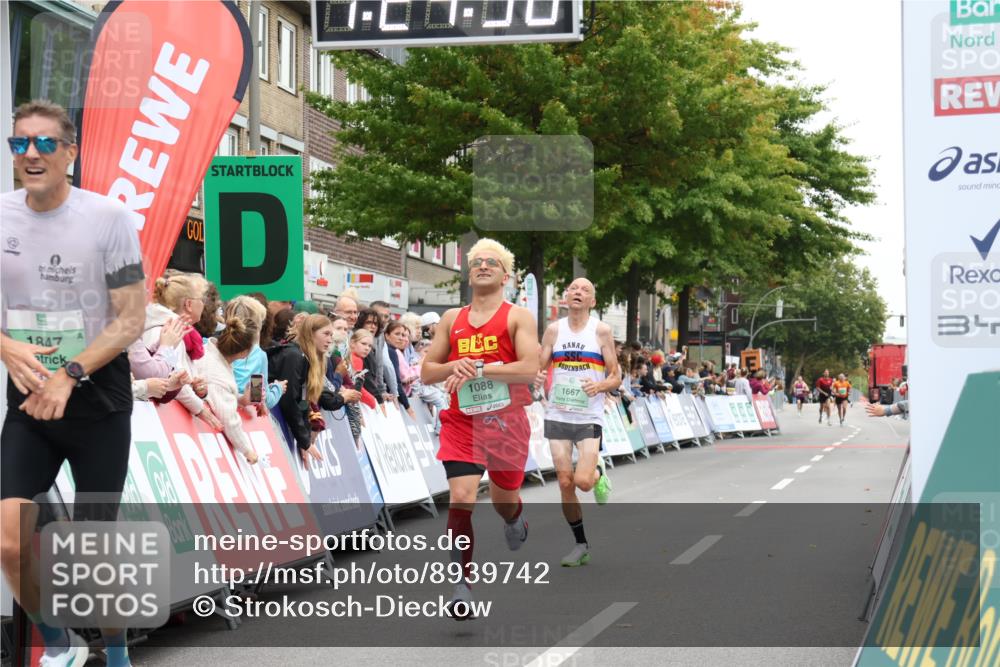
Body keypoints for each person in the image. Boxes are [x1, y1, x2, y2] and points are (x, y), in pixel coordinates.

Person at [1, 100, 147, 667]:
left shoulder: (108, 218)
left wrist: (70, 373)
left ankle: (115, 653)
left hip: (98, 399)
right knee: (10, 541)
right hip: (30, 401)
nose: (30, 154)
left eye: (43, 143)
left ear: (71, 152)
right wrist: (7, 344)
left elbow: (131, 318)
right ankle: (59, 643)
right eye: (19, 144)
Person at [421, 238, 539, 620]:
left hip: (506, 424)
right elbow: (427, 372)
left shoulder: (518, 316)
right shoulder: (451, 319)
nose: (483, 266)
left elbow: (527, 369)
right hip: (461, 423)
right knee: (462, 496)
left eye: (492, 262)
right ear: (470, 273)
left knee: (504, 499)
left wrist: (481, 368)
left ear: (506, 275)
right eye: (477, 262)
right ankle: (461, 584)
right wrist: (455, 366)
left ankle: (514, 517)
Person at [537, 278, 619, 567]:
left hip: (588, 414)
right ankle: (580, 544)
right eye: (574, 289)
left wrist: (601, 387)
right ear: (565, 296)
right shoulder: (553, 330)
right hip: (558, 413)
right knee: (564, 481)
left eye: (585, 290)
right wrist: (536, 376)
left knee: (582, 482)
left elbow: (615, 375)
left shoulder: (601, 331)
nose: (578, 293)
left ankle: (597, 474)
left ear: (593, 301)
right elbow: (540, 365)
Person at [142, 273, 222, 431]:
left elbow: (179, 376)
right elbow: (168, 376)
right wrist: (199, 408)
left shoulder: (180, 334)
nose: (204, 305)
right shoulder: (166, 332)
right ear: (189, 304)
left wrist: (199, 389)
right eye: (202, 300)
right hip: (152, 421)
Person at [268, 314, 348, 464]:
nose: (330, 340)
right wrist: (305, 441)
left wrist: (304, 439)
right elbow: (289, 401)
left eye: (331, 335)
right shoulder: (294, 356)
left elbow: (304, 402)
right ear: (310, 333)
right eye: (325, 334)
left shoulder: (307, 358)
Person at [194, 317, 263, 465]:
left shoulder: (208, 350)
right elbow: (228, 420)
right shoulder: (219, 376)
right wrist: (248, 451)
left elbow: (217, 395)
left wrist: (241, 399)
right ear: (245, 353)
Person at [226, 296, 286, 412]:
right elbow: (259, 397)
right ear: (258, 325)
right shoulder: (258, 356)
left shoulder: (213, 344)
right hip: (241, 417)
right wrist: (278, 388)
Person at [384, 320, 415, 417]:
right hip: (389, 399)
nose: (401, 338)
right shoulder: (391, 351)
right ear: (387, 335)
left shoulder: (392, 350)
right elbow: (395, 381)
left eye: (403, 335)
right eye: (397, 334)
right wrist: (408, 408)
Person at [349, 329, 378, 410]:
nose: (367, 348)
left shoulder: (355, 357)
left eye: (369, 346)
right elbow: (357, 386)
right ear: (352, 343)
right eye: (363, 344)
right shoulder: (356, 359)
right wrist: (372, 401)